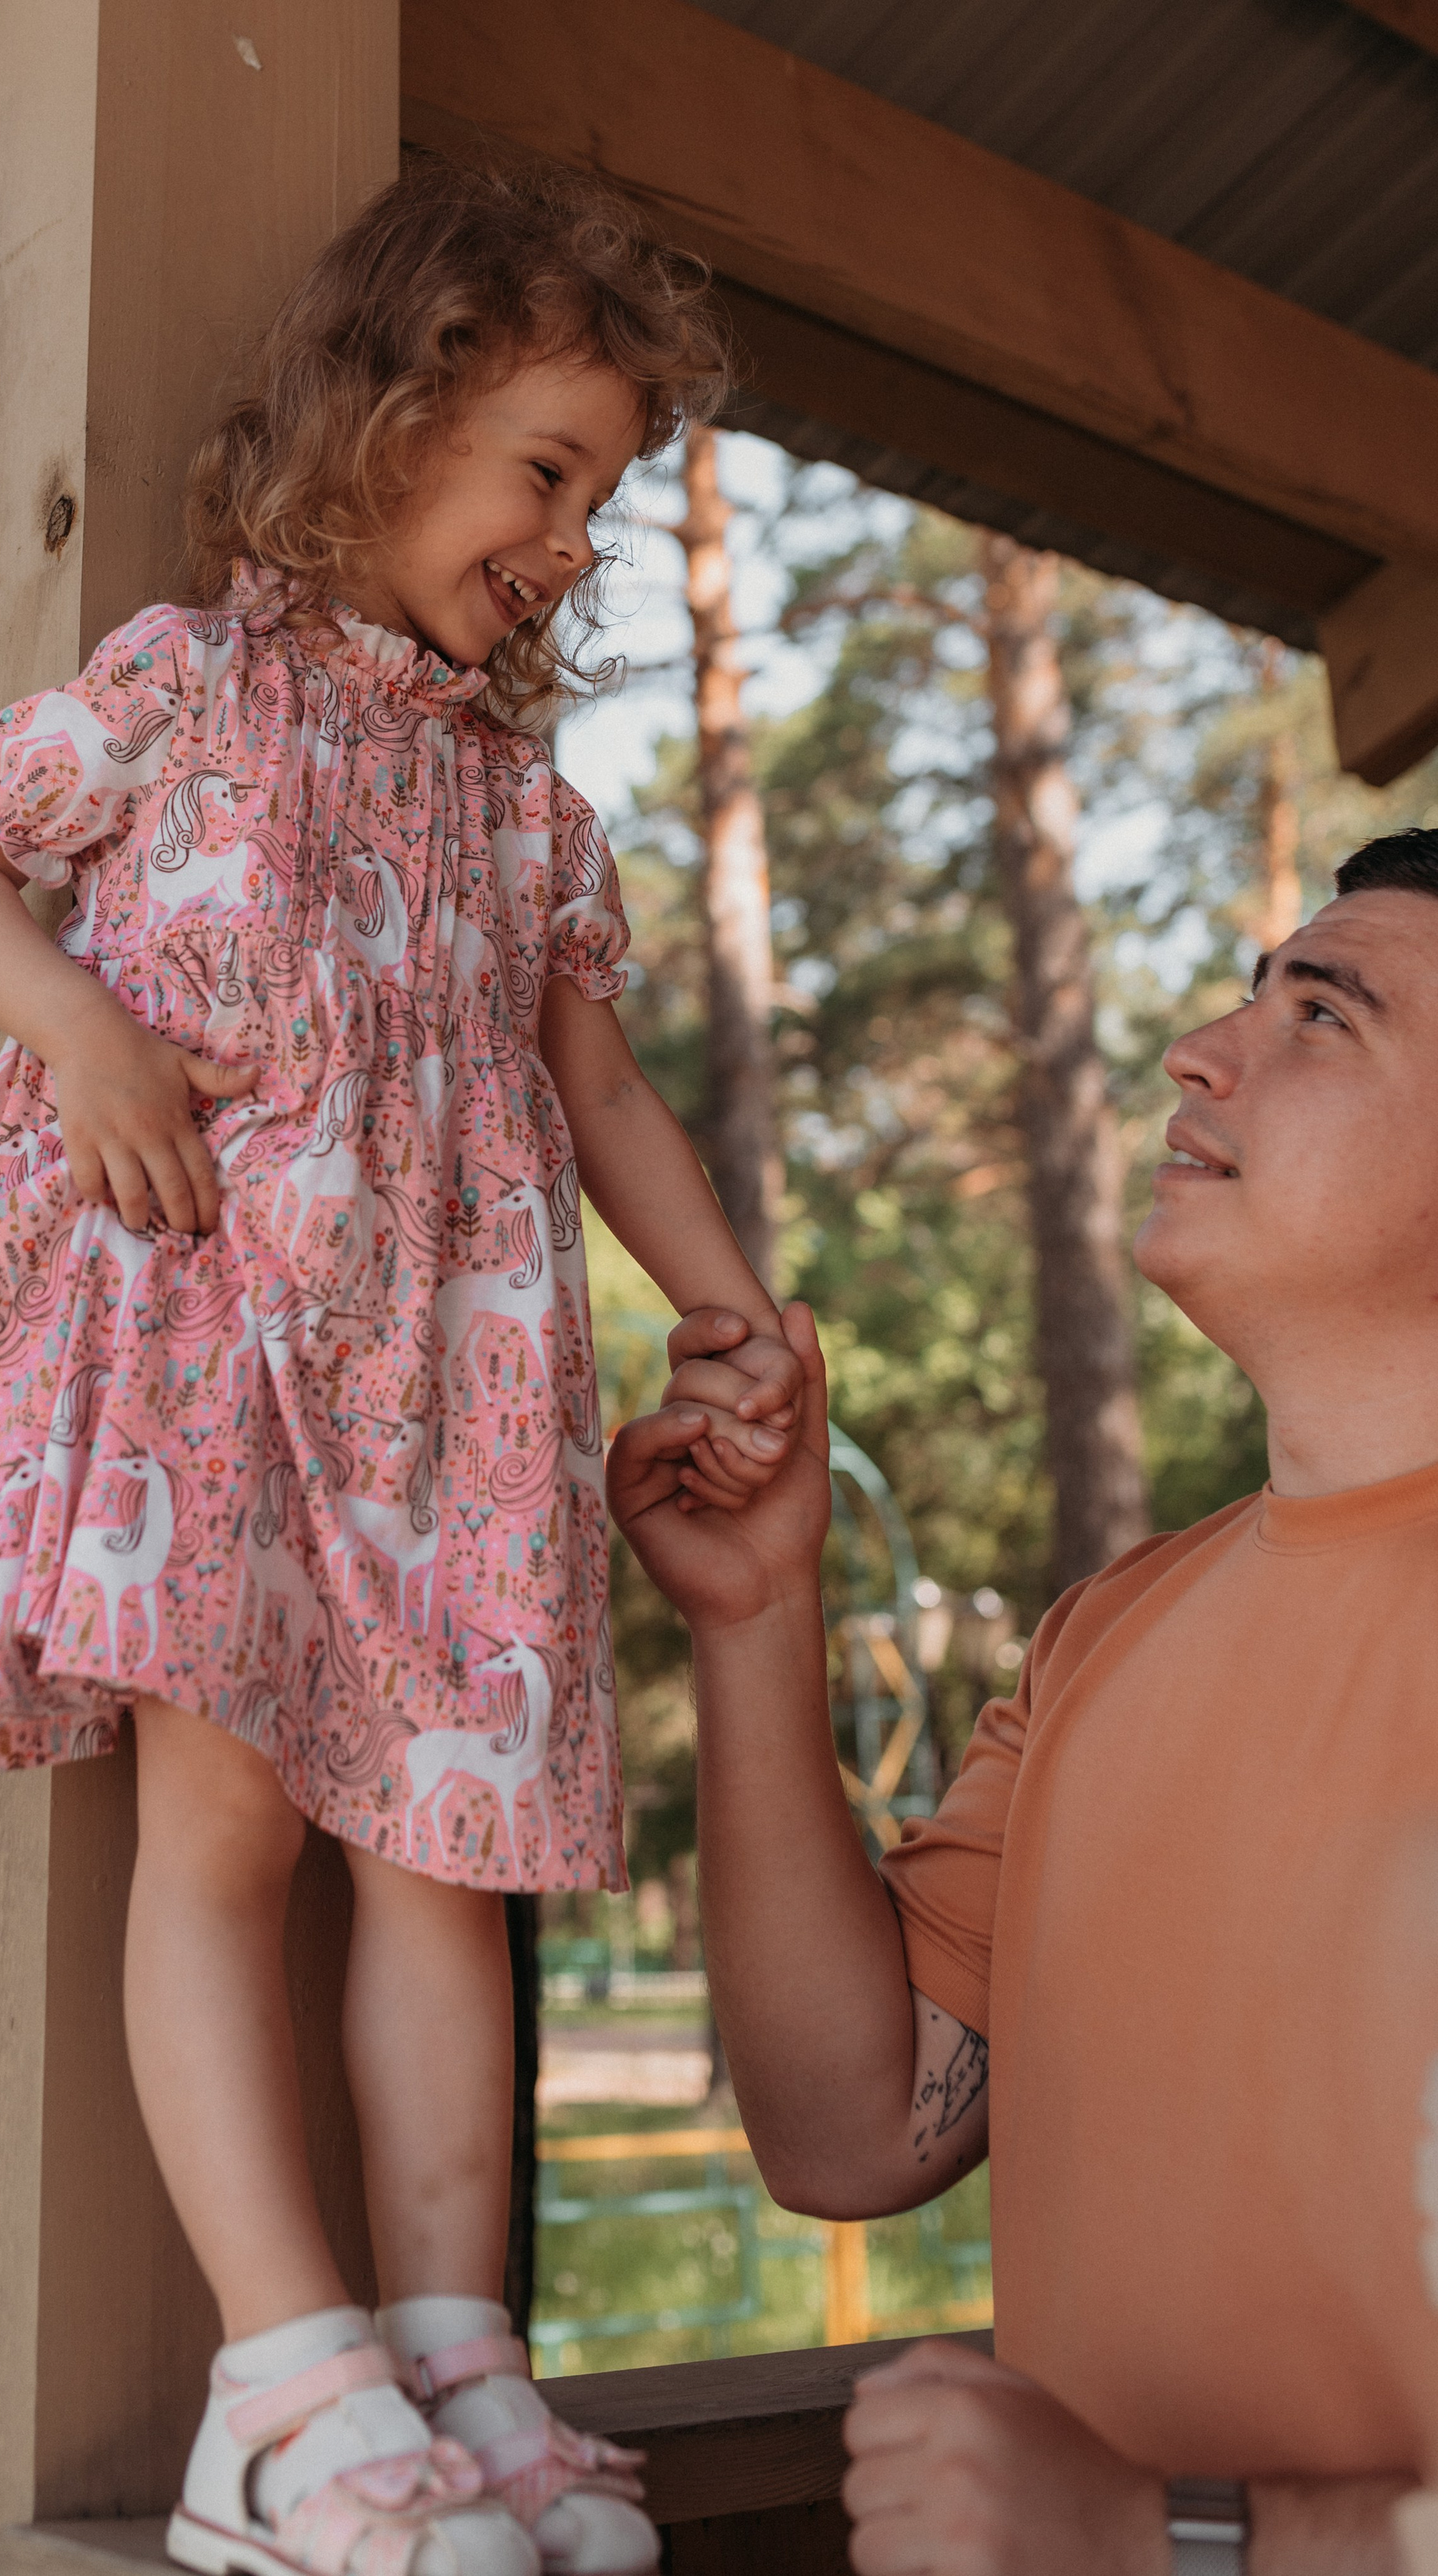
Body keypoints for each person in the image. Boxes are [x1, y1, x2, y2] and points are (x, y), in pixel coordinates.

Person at [0, 158, 797, 2576]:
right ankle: (280, 2393)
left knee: (445, 1862)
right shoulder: (190, 686)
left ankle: (454, 2359)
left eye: (606, 495)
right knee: (234, 1840)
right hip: (226, 1343)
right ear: (393, 423)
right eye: (550, 471)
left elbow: (600, 1091)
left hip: (464, 1391)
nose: (578, 539)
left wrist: (732, 1306)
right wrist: (79, 1024)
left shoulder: (527, 816)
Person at [609, 829, 1438, 2574]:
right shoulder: (1102, 1641)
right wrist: (763, 1614)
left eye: (1322, 1015)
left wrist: (1176, 2539)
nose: (1199, 1048)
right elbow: (849, 2121)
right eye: (1243, 992)